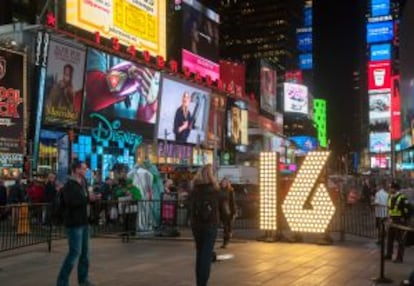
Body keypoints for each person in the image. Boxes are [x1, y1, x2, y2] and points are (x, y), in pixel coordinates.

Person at [57, 160, 97, 286]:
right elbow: (71, 202)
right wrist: (87, 199)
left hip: (84, 221)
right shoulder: (69, 185)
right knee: (74, 253)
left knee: (85, 254)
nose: (86, 171)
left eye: (86, 168)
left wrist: (92, 199)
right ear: (76, 170)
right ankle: (62, 282)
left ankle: (83, 280)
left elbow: (84, 200)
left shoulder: (83, 183)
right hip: (74, 224)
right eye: (84, 168)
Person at [191, 164, 220, 286]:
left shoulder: (194, 189)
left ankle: (199, 282)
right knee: (206, 255)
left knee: (200, 253)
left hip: (196, 225)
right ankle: (202, 283)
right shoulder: (214, 190)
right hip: (210, 224)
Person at [385, 181, 411, 263]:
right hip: (392, 220)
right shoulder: (391, 197)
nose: (390, 189)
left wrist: (404, 218)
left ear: (395, 189)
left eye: (391, 188)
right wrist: (388, 218)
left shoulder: (402, 198)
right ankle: (389, 254)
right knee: (390, 237)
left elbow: (408, 210)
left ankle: (399, 258)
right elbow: (390, 209)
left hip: (399, 221)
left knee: (400, 240)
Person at [218, 178, 236, 249]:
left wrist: (233, 211)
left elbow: (232, 202)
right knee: (225, 227)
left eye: (225, 182)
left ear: (227, 183)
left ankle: (225, 241)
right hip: (220, 210)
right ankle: (227, 237)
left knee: (226, 227)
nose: (223, 183)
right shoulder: (218, 190)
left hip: (227, 211)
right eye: (222, 182)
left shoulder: (230, 191)